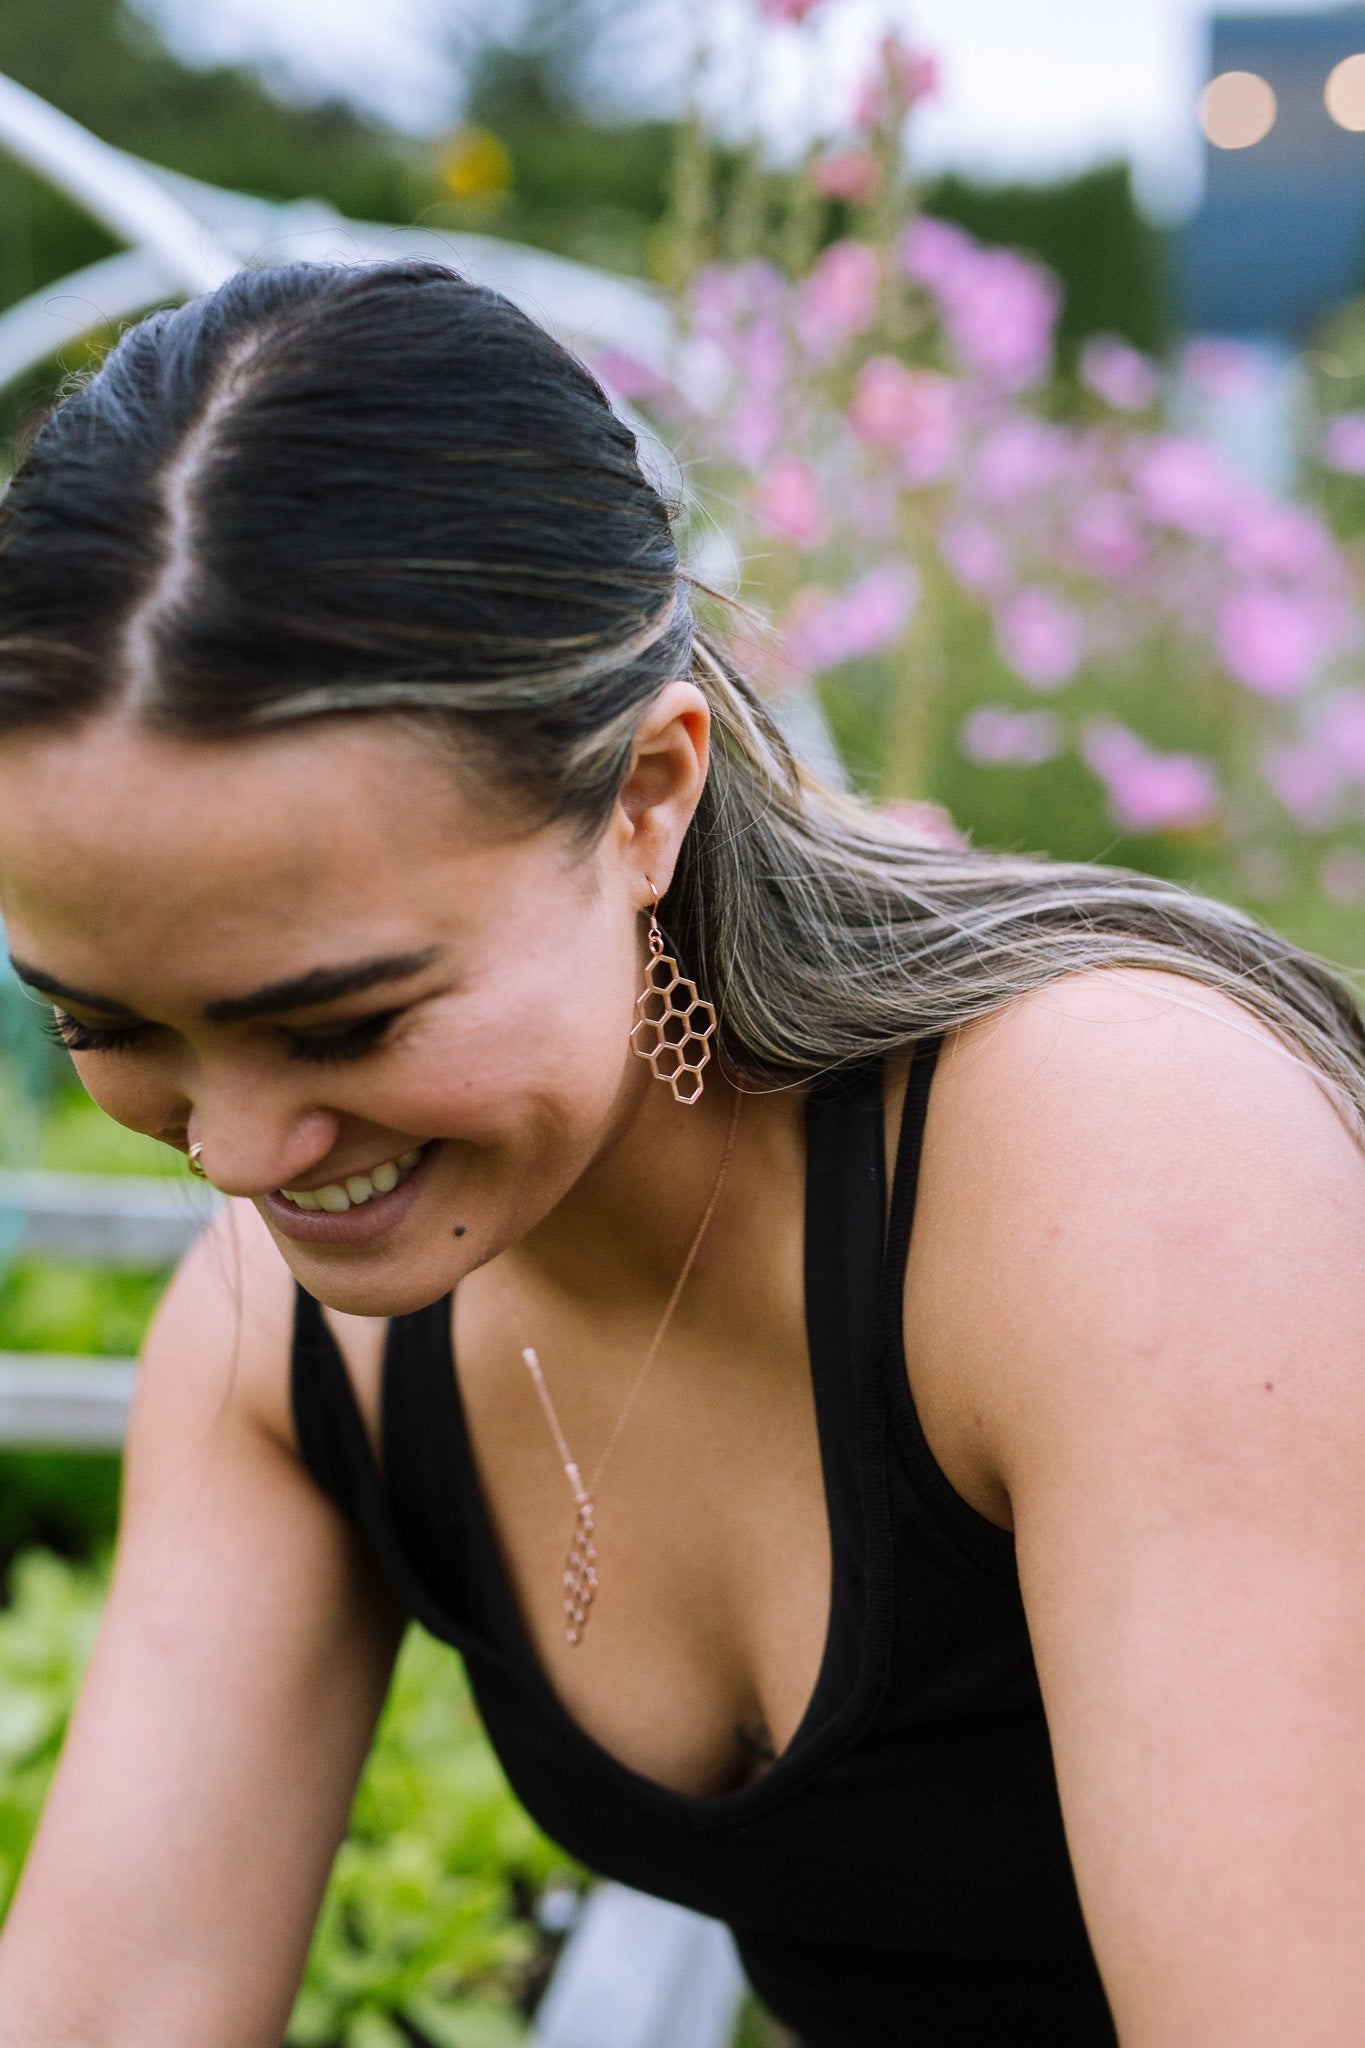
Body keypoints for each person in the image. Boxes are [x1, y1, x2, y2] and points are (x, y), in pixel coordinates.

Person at [0, 261, 1362, 2048]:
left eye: (344, 1022)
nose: (242, 1155)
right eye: (106, 1024)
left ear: (648, 796)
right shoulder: (286, 1345)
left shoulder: (1115, 1168)